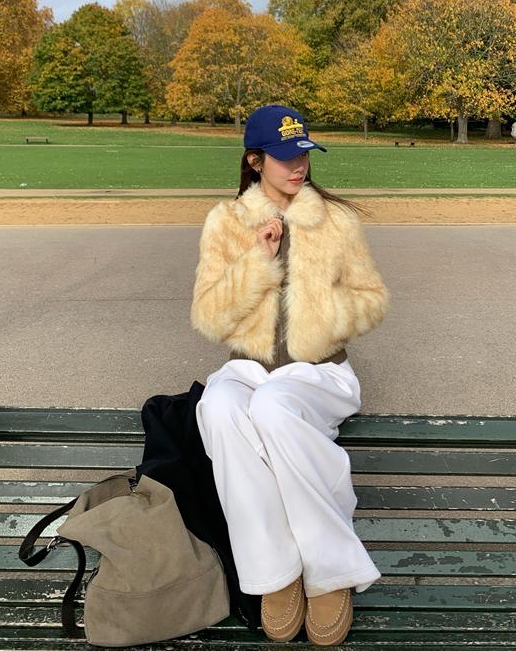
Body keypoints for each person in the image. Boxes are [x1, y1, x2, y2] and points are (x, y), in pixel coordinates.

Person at [192, 104, 389, 646]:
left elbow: (372, 299)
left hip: (319, 374)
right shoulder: (226, 221)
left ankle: (331, 570)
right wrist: (257, 263)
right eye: (284, 157)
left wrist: (324, 314)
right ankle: (275, 572)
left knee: (274, 405)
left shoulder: (336, 220)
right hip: (250, 370)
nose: (298, 165)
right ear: (255, 161)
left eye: (302, 153)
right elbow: (208, 316)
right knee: (220, 407)